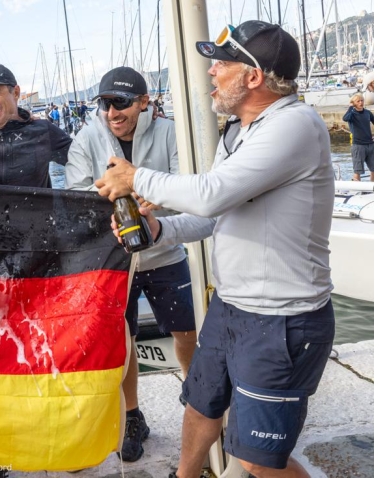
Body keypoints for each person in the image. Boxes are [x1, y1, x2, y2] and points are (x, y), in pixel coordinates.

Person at [96, 21, 334, 478]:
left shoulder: (295, 125)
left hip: (281, 318)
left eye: (222, 63)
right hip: (231, 307)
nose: (212, 71)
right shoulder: (239, 131)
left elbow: (210, 193)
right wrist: (158, 227)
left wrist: (135, 177)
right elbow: (211, 215)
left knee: (258, 460)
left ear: (253, 77)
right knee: (200, 407)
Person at [65, 66, 196, 463]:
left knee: (187, 331)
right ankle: (133, 415)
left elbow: (190, 187)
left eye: (120, 103)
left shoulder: (172, 131)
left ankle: (197, 399)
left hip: (165, 251)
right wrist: (116, 192)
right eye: (104, 103)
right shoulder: (86, 138)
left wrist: (139, 185)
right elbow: (74, 194)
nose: (111, 112)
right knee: (124, 344)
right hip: (117, 261)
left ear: (144, 102)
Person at [343, 93, 374, 181]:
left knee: (375, 169)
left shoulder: (368, 113)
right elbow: (345, 118)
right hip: (358, 146)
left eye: (362, 101)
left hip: (370, 145)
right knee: (357, 171)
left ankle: (374, 189)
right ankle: (358, 190)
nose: (361, 103)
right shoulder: (351, 114)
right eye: (358, 101)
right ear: (353, 103)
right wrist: (350, 107)